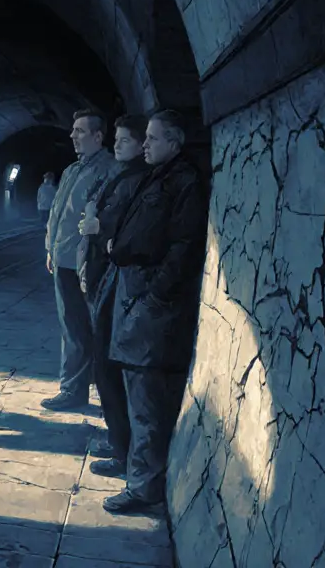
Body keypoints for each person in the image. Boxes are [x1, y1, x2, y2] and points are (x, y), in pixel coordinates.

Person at [101, 109, 208, 514]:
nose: (144, 144)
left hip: (150, 303)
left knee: (146, 397)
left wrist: (155, 296)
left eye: (152, 138)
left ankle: (144, 486)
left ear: (175, 142)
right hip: (136, 295)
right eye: (143, 138)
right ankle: (135, 470)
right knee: (134, 390)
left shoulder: (183, 182)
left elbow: (184, 246)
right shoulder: (159, 175)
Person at [75, 114, 153, 481]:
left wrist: (98, 225)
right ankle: (117, 438)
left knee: (108, 366)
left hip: (117, 278)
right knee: (103, 363)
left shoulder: (136, 178)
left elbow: (125, 226)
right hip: (107, 275)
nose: (117, 146)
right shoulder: (126, 174)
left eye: (123, 141)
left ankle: (122, 450)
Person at [42, 109, 116, 411]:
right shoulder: (73, 170)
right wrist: (51, 249)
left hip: (84, 263)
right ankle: (75, 387)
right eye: (73, 130)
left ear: (99, 136)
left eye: (80, 131)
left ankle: (78, 391)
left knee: (85, 327)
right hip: (63, 259)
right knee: (71, 326)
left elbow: (104, 217)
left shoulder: (108, 169)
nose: (72, 136)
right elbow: (58, 214)